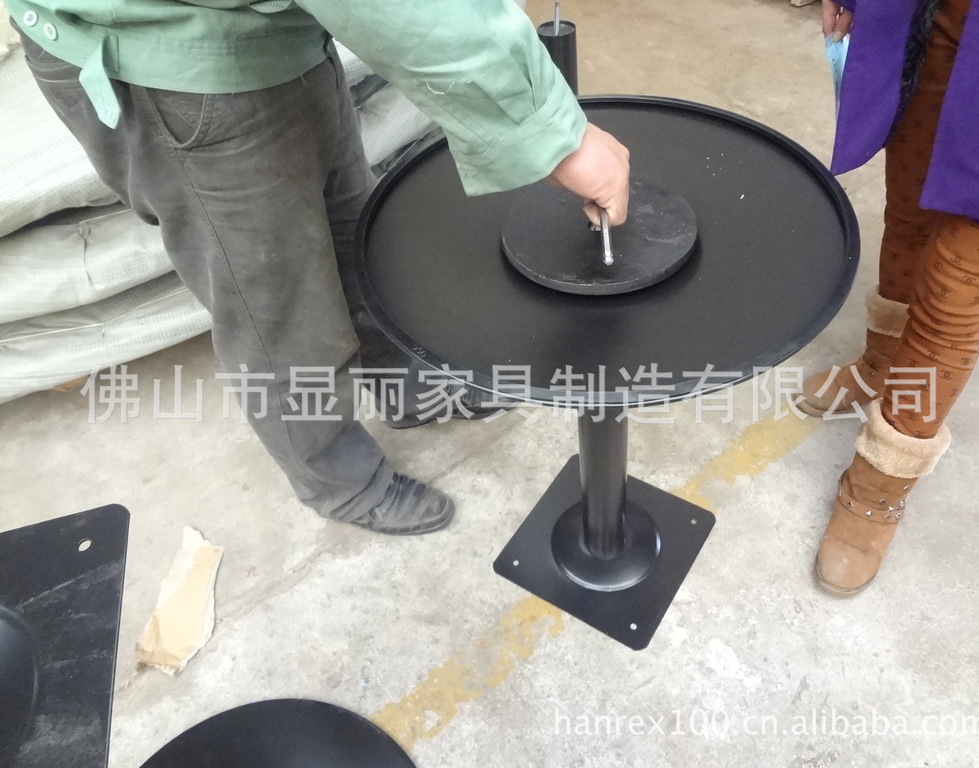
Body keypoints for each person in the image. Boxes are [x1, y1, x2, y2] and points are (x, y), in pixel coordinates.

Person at [7, 0, 630, 535]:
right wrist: (553, 133)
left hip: (276, 35)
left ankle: (411, 389)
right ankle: (341, 482)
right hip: (172, 65)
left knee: (359, 235)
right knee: (278, 311)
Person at [802, 0, 979, 594]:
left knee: (956, 291)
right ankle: (881, 365)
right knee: (907, 216)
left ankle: (877, 487)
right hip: (937, 16)